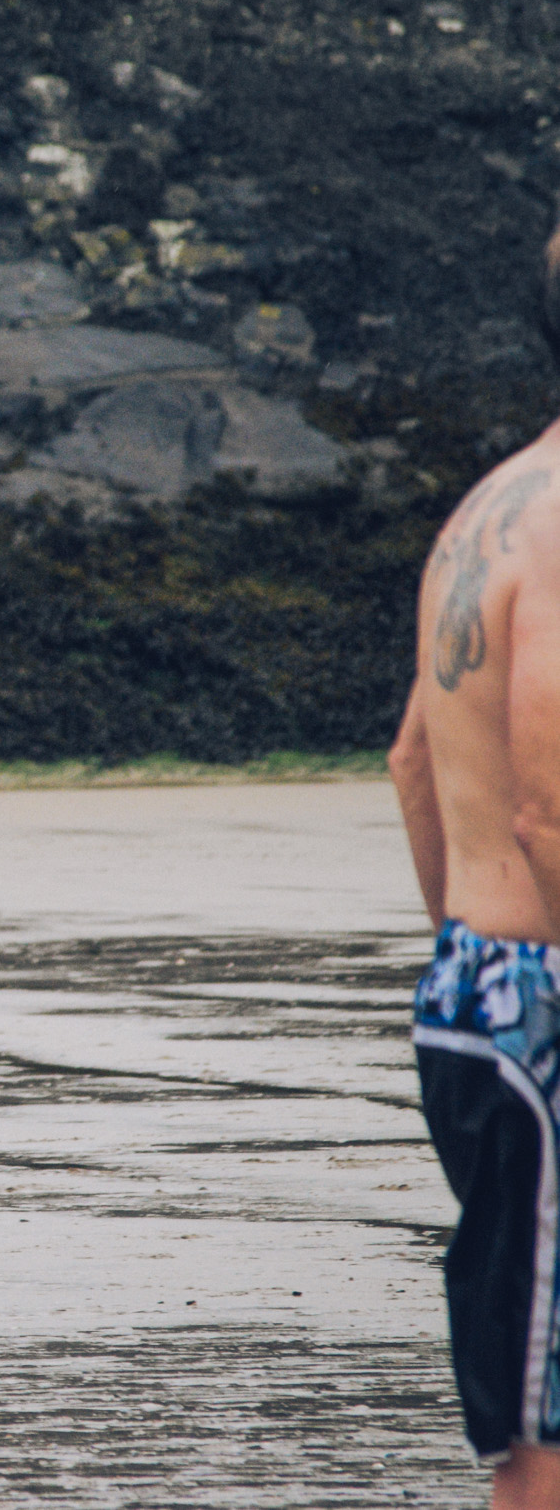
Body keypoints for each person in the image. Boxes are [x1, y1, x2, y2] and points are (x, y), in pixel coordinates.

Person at [389, 223, 560, 1510]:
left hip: (480, 988)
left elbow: (411, 759)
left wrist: (467, 934)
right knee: (545, 1434)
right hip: (542, 993)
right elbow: (551, 792)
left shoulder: (489, 508)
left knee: (530, 1413)